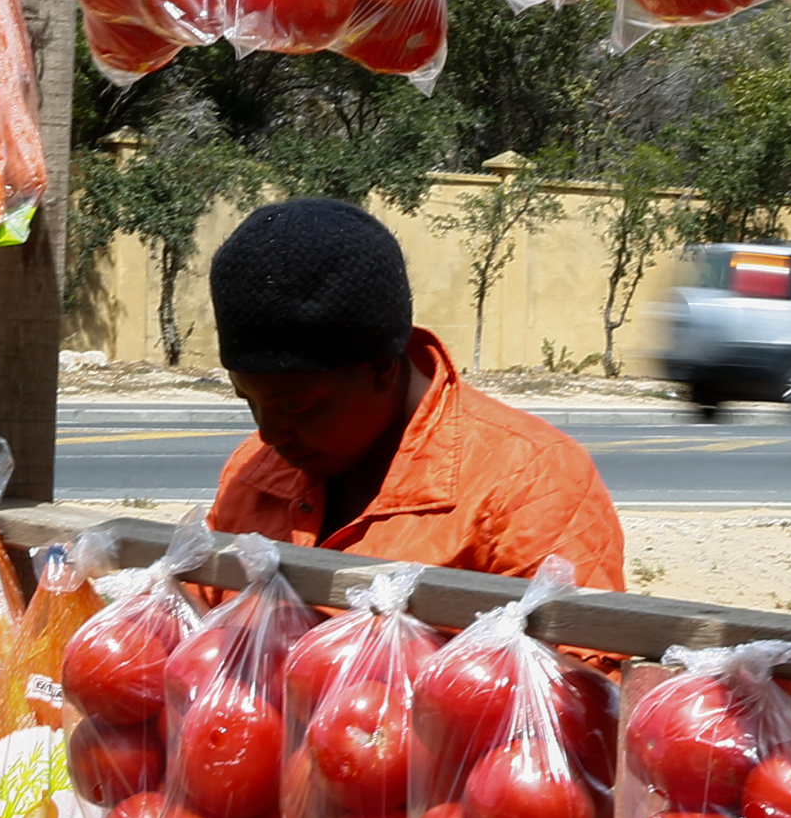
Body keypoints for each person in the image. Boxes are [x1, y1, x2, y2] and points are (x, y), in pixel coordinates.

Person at [202, 198, 627, 589]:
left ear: (383, 368)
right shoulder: (253, 475)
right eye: (249, 400)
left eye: (296, 405)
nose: (270, 434)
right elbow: (194, 619)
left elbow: (576, 661)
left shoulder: (530, 480)